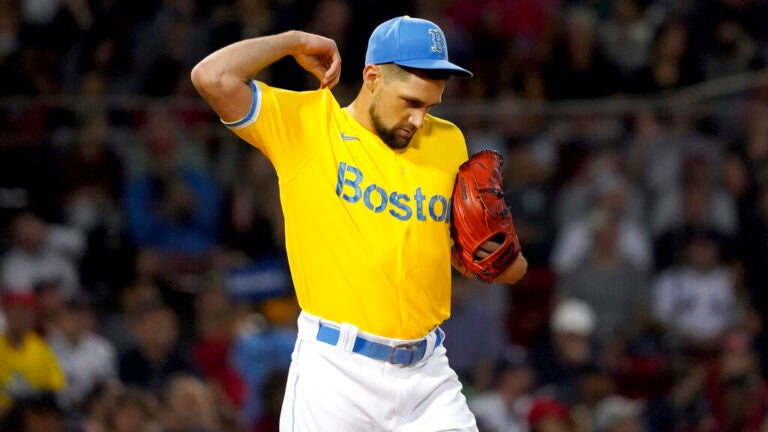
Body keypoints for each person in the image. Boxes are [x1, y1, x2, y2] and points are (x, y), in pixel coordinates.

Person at [191, 15, 527, 431]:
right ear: (372, 76)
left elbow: (450, 252)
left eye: (429, 105)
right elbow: (211, 77)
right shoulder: (311, 127)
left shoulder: (447, 142)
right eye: (410, 102)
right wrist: (292, 40)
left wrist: (494, 260)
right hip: (336, 374)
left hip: (426, 374)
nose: (419, 119)